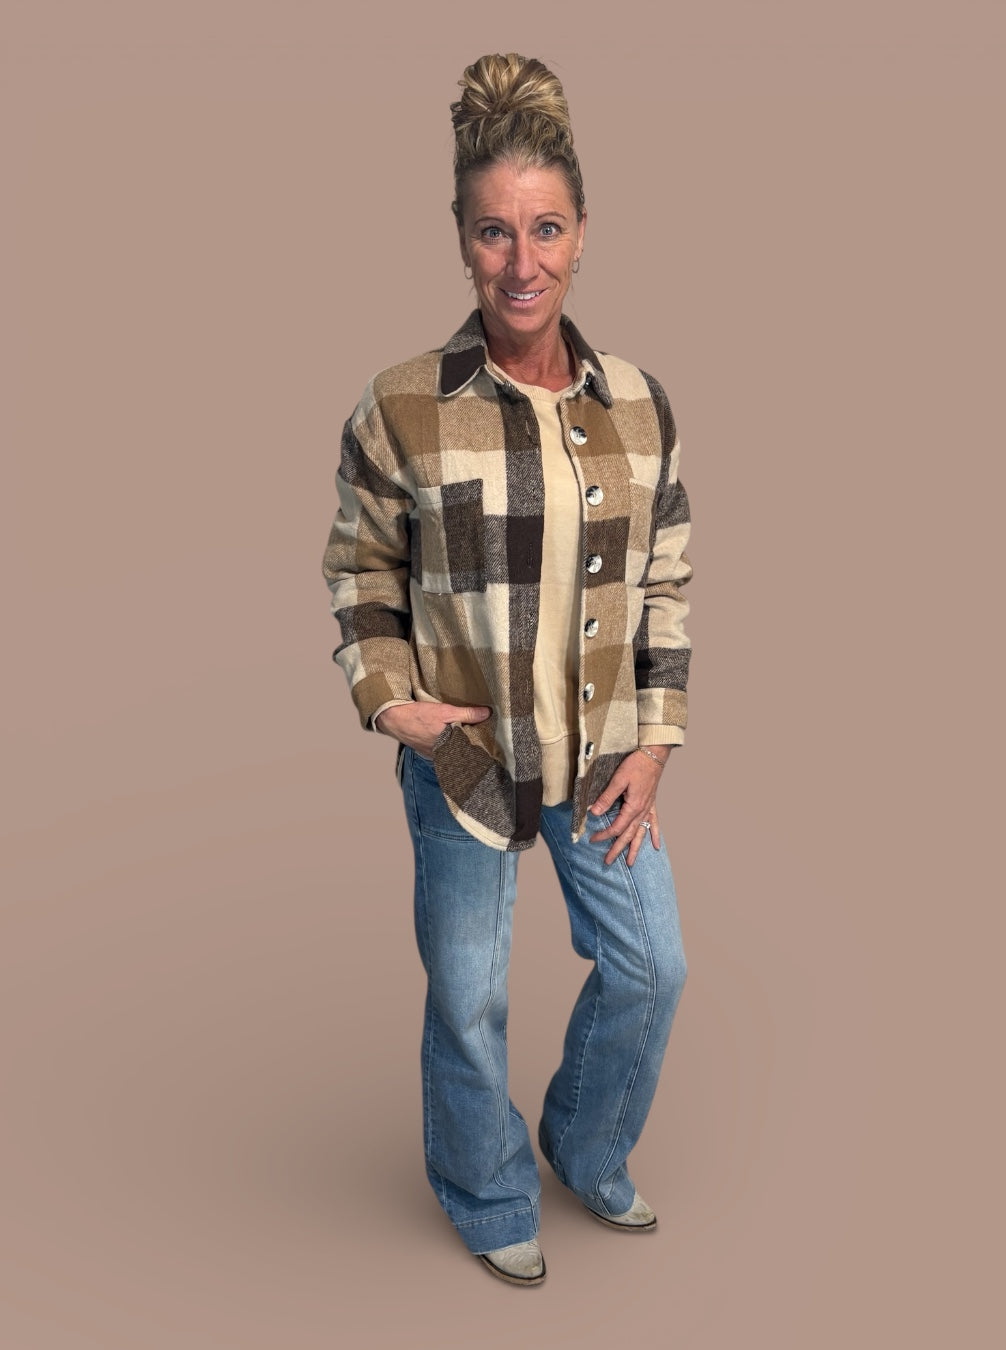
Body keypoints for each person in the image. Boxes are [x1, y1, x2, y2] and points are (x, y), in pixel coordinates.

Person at [322, 53, 692, 1287]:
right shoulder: (401, 407)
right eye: (494, 231)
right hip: (467, 757)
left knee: (653, 967)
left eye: (545, 229)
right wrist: (397, 707)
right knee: (470, 996)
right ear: (461, 239)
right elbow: (361, 574)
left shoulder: (641, 406)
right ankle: (487, 1194)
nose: (521, 262)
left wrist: (656, 739)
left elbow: (666, 581)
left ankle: (584, 1145)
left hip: (603, 757)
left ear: (582, 234)